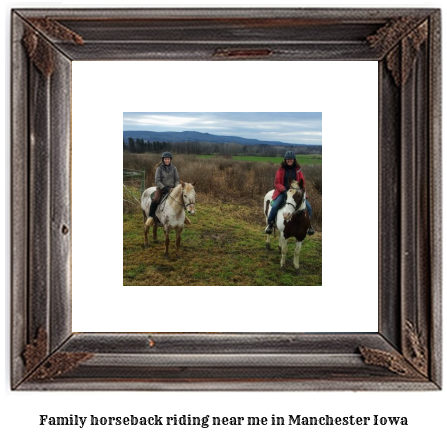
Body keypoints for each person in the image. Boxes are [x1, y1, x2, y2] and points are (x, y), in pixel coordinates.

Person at [264, 150, 315, 235]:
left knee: (309, 207)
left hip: (295, 193)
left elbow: (302, 182)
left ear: (294, 159)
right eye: (288, 159)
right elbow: (277, 183)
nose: (289, 160)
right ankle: (270, 224)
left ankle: (309, 226)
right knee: (275, 206)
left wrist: (300, 191)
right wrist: (283, 190)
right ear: (285, 160)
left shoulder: (298, 170)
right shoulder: (281, 170)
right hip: (283, 191)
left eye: (291, 159)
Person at [146, 151, 180, 227]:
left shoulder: (174, 168)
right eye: (165, 159)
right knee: (155, 200)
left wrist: (176, 188)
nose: (167, 160)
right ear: (163, 160)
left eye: (168, 159)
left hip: (172, 188)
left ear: (170, 160)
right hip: (161, 188)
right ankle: (151, 216)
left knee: (180, 199)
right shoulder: (159, 169)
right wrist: (164, 188)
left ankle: (182, 217)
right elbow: (157, 180)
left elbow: (177, 179)